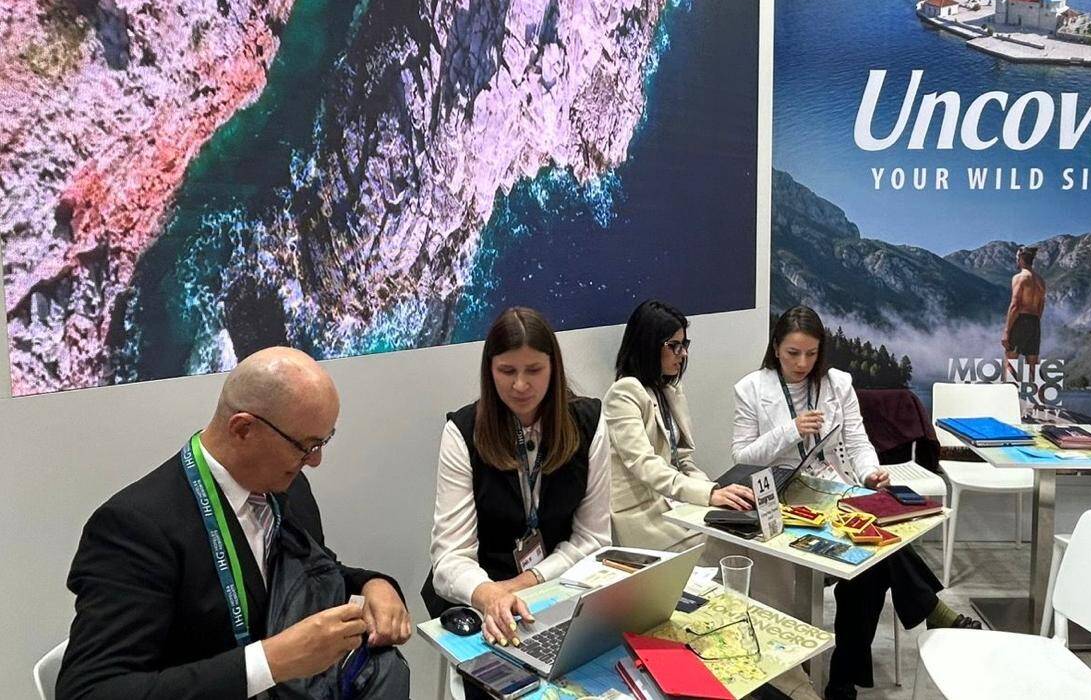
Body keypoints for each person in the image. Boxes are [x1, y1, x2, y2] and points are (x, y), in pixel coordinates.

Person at [58, 347, 412, 700]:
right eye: (305, 446)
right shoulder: (135, 529)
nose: (316, 461)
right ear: (243, 429)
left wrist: (372, 584)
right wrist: (270, 662)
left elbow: (311, 572)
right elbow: (89, 691)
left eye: (323, 441)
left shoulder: (288, 486)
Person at [733, 306, 978, 700]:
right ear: (776, 348)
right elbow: (743, 456)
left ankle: (844, 681)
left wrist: (869, 474)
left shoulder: (837, 384)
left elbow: (858, 441)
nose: (802, 363)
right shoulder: (751, 388)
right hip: (787, 499)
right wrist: (789, 430)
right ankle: (860, 667)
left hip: (839, 490)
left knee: (871, 562)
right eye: (793, 353)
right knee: (875, 554)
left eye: (811, 354)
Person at [423, 306, 611, 649]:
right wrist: (489, 594)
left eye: (534, 370)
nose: (520, 385)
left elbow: (594, 539)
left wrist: (528, 581)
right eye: (507, 371)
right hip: (482, 597)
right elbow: (449, 558)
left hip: (560, 588)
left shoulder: (589, 422)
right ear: (489, 370)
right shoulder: (462, 432)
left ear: (553, 368)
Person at [605, 299, 753, 549]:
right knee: (737, 542)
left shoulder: (669, 388)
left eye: (684, 345)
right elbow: (645, 465)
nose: (683, 354)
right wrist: (708, 495)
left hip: (677, 503)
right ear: (648, 345)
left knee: (747, 524)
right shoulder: (624, 393)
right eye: (673, 346)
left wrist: (716, 491)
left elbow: (682, 458)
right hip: (647, 516)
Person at [1002, 245, 1046, 381]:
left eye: (1017, 258)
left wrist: (1007, 331)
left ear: (1020, 259)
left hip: (1021, 320)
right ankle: (1041, 395)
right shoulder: (1040, 281)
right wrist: (1033, 324)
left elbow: (1015, 305)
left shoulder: (1020, 278)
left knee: (1010, 361)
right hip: (1035, 322)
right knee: (1034, 365)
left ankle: (1010, 394)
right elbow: (1041, 306)